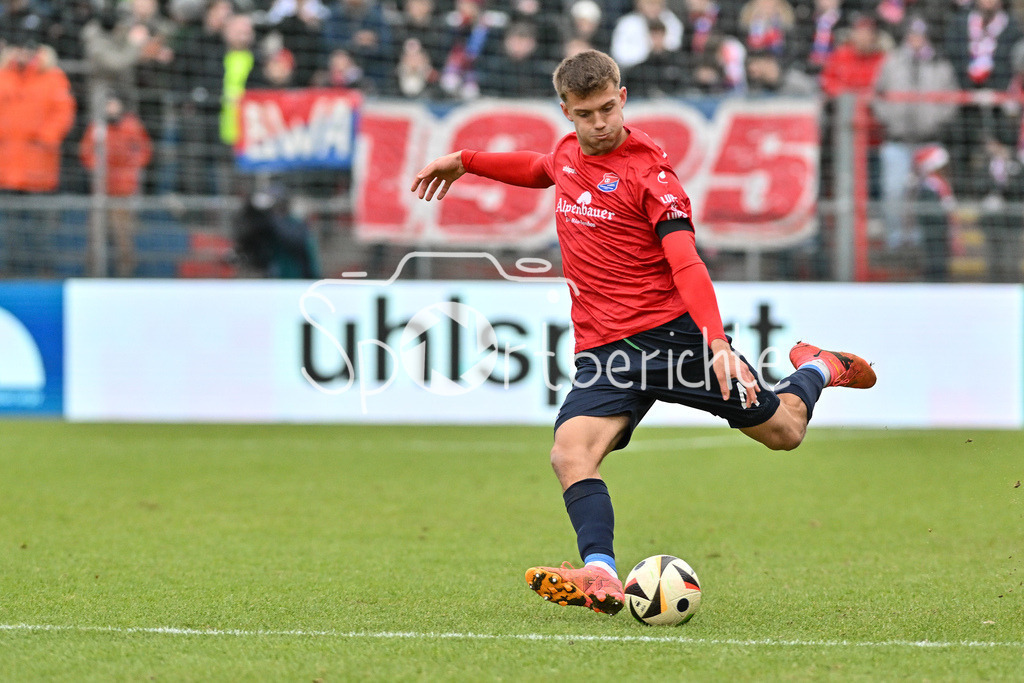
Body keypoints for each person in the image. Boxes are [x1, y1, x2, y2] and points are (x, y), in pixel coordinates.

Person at [410, 49, 877, 616]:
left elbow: (686, 263)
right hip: (605, 352)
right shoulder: (566, 154)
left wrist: (718, 343)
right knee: (569, 454)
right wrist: (467, 159)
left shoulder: (651, 175)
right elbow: (539, 169)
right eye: (586, 114)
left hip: (674, 341)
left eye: (608, 108)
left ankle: (818, 366)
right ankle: (600, 572)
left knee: (785, 431)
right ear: (567, 112)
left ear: (622, 98)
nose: (600, 122)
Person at [871, 16, 957, 250]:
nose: (916, 39)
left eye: (920, 34)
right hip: (897, 140)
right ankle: (896, 242)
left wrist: (936, 120)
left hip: (929, 140)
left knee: (930, 195)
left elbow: (951, 99)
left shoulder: (940, 63)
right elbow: (876, 94)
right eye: (912, 34)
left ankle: (924, 243)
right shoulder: (892, 61)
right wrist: (889, 118)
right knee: (894, 191)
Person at [0, 29, 75, 276]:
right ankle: (9, 275)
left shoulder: (53, 77)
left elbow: (63, 113)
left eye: (28, 48)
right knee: (8, 232)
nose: (24, 53)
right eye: (19, 48)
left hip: (39, 169)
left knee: (40, 233)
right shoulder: (3, 75)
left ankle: (40, 275)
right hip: (6, 170)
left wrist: (44, 138)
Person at [79, 91, 153, 277]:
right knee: (96, 236)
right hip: (101, 190)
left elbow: (144, 151)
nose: (111, 109)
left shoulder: (132, 126)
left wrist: (128, 167)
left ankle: (125, 275)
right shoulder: (97, 128)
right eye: (108, 105)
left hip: (124, 191)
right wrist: (99, 167)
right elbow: (86, 153)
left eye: (114, 104)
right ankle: (94, 274)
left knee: (124, 237)